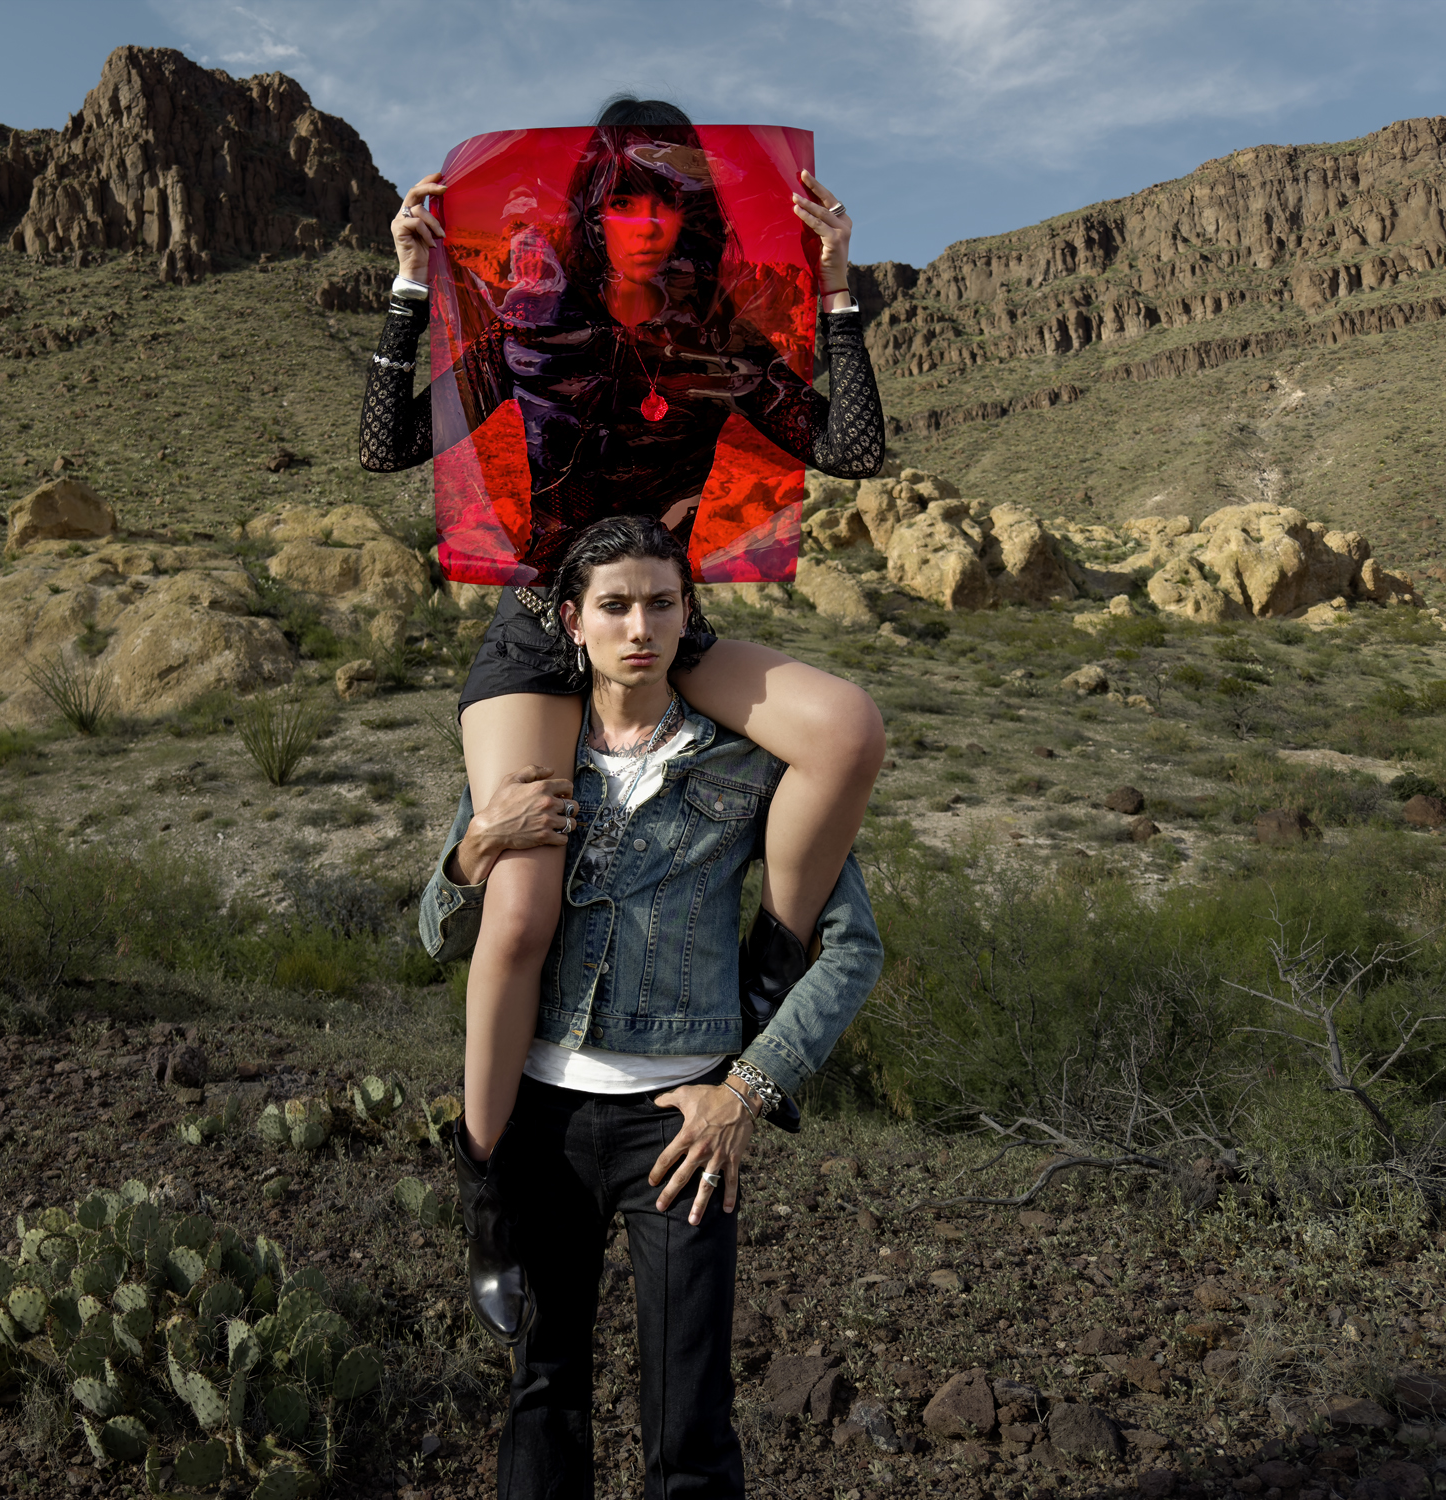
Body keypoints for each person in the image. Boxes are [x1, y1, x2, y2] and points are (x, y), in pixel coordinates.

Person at [361, 97, 887, 1346]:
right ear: (594, 211)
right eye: (625, 201)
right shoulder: (535, 329)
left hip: (665, 615)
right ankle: (489, 1188)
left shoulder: (716, 340)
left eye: (668, 202)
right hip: (545, 633)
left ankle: (770, 969)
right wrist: (403, 286)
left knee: (846, 730)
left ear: (693, 216)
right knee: (522, 902)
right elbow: (390, 444)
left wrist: (835, 292)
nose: (646, 223)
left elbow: (853, 448)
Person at [418, 514, 884, 1498]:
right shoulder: (528, 759)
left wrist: (744, 1091)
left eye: (661, 604)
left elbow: (849, 949)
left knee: (689, 1421)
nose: (640, 627)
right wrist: (471, 851)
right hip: (538, 1117)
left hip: (679, 1131)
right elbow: (435, 931)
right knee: (543, 1394)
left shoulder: (747, 765)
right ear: (572, 623)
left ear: (687, 617)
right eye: (616, 606)